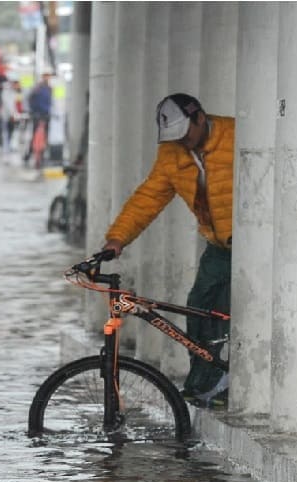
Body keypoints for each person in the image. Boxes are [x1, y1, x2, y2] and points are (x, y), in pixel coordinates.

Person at [100, 93, 234, 407]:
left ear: (200, 118)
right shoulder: (172, 154)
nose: (183, 142)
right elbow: (148, 198)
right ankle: (204, 379)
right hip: (217, 246)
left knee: (227, 312)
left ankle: (228, 380)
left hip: (249, 246)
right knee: (198, 306)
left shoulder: (236, 136)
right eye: (176, 137)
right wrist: (117, 239)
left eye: (186, 134)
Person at [25, 73, 52, 164]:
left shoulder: (49, 88)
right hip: (37, 115)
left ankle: (42, 156)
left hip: (46, 115)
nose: (47, 78)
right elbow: (30, 99)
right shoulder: (37, 88)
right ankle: (29, 154)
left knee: (44, 137)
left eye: (48, 76)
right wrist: (33, 112)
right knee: (35, 136)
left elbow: (51, 102)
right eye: (45, 76)